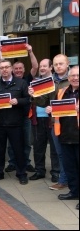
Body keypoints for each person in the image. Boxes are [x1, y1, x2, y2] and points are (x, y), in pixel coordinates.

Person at [29, 54, 70, 191]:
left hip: (72, 124)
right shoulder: (50, 81)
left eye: (61, 64)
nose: (58, 66)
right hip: (56, 123)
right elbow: (43, 101)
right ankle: (63, 180)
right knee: (60, 153)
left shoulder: (73, 79)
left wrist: (58, 107)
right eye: (57, 64)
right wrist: (34, 94)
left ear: (67, 64)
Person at [0, 59, 30, 185]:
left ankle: (21, 173)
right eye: (2, 67)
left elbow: (28, 100)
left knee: (19, 150)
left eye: (6, 67)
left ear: (11, 69)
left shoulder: (21, 83)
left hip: (16, 124)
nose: (4, 69)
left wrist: (18, 101)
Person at [0, 43, 37, 173]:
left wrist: (30, 51)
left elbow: (35, 66)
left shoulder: (26, 80)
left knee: (25, 143)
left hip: (26, 116)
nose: (18, 70)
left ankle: (26, 163)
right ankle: (13, 163)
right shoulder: (2, 81)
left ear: (24, 70)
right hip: (9, 119)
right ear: (12, 70)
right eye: (16, 68)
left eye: (20, 68)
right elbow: (0, 66)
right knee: (12, 144)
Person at [45, 65, 79, 209]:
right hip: (65, 136)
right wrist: (50, 110)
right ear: (68, 78)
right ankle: (74, 192)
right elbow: (57, 109)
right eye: (72, 76)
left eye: (78, 75)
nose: (75, 78)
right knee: (70, 167)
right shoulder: (62, 92)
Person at [29, 59, 60, 182]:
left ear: (50, 67)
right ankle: (39, 171)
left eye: (45, 66)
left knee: (54, 147)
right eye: (41, 66)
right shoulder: (35, 82)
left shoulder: (55, 82)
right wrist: (31, 94)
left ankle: (55, 172)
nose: (42, 68)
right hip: (37, 119)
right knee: (38, 147)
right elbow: (34, 100)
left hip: (51, 119)